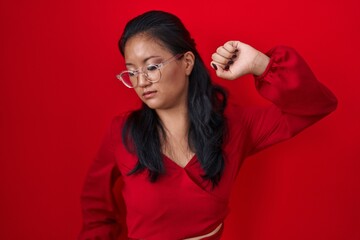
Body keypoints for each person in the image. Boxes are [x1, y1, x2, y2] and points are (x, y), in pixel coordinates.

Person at [78, 10, 338, 240]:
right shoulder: (123, 132)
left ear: (187, 62)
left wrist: (260, 64)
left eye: (152, 66)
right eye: (132, 72)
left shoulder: (234, 126)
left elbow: (314, 106)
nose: (141, 81)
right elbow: (96, 210)